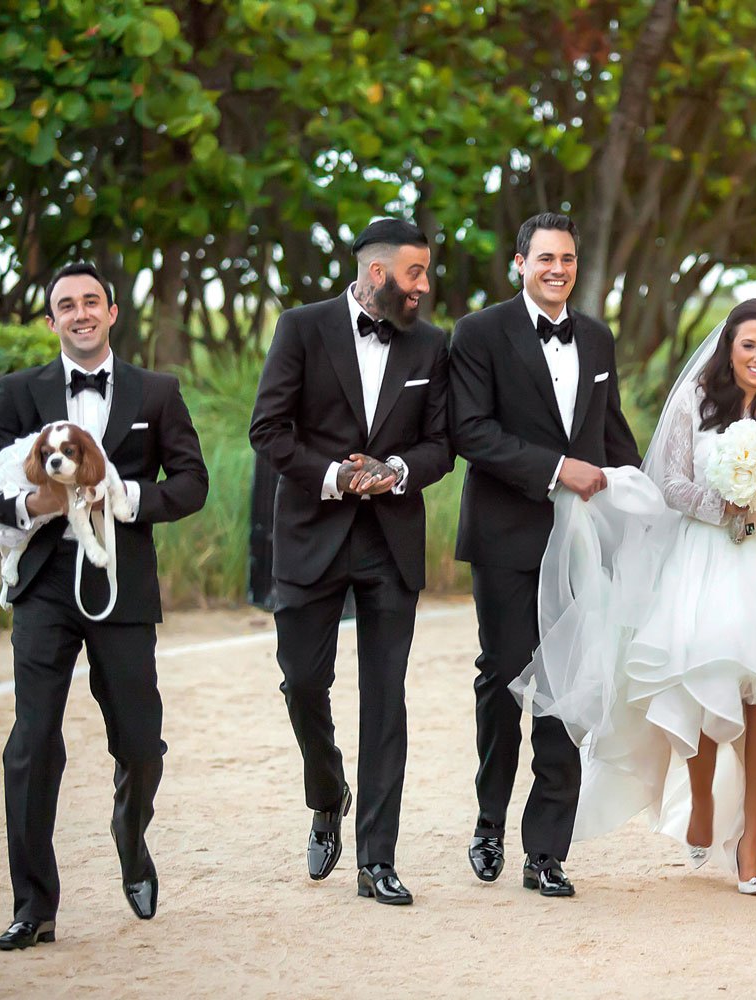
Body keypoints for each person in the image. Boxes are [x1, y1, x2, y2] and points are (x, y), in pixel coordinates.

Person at [520, 298, 756, 895]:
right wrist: (724, 502)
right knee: (702, 683)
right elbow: (670, 483)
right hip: (704, 555)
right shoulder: (695, 403)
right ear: (730, 346)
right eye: (750, 345)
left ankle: (750, 845)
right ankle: (700, 798)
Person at [0, 262, 209, 949]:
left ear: (111, 311)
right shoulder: (20, 391)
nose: (79, 313)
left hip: (122, 582)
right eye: (65, 305)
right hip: (42, 585)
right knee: (32, 742)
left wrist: (125, 497)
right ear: (51, 322)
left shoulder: (157, 391)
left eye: (90, 301)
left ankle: (130, 830)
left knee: (140, 741)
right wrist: (28, 502)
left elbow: (191, 483)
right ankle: (33, 905)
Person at [249, 218, 453, 905]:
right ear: (377, 275)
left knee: (385, 699)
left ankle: (376, 860)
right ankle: (326, 787)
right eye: (415, 274)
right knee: (302, 683)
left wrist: (395, 470)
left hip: (390, 542)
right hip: (312, 529)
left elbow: (442, 443)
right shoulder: (301, 329)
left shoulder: (431, 344)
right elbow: (268, 431)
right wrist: (335, 477)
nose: (423, 287)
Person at [449, 212, 640, 897]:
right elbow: (471, 431)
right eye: (545, 258)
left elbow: (610, 431)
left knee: (567, 687)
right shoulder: (477, 334)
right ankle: (490, 820)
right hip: (505, 536)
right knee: (504, 679)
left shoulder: (596, 337)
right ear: (520, 263)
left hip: (580, 541)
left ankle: (546, 852)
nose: (557, 269)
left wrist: (641, 499)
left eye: (567, 258)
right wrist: (559, 469)